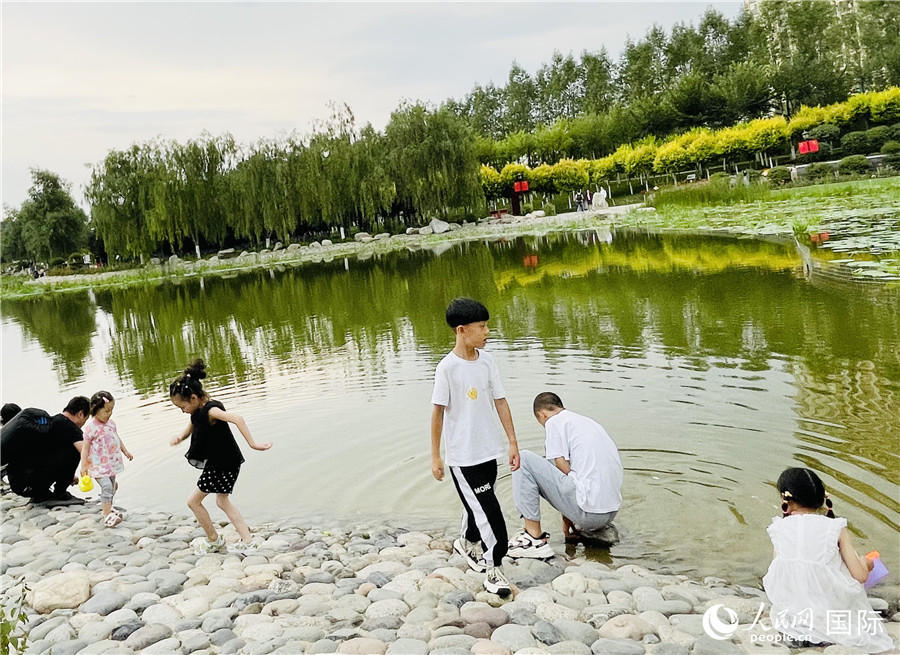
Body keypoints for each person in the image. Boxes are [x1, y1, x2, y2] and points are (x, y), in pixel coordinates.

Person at [431, 298, 520, 597]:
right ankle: (494, 568)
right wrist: (436, 457)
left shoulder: (487, 361)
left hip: (488, 451)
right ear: (461, 330)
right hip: (463, 457)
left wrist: (512, 442)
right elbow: (438, 413)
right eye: (481, 326)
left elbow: (500, 401)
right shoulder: (447, 368)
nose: (487, 331)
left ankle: (465, 541)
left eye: (486, 325)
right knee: (492, 513)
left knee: (479, 505)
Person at [762, 467, 893, 653]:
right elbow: (860, 576)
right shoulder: (835, 526)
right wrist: (866, 563)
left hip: (792, 610)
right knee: (868, 562)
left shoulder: (778, 528)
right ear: (821, 498)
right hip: (830, 608)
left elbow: (781, 570)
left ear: (786, 499)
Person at [169, 359, 272, 555]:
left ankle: (214, 540)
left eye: (181, 406)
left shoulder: (211, 410)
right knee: (221, 501)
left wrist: (253, 444)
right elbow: (193, 426)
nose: (182, 410)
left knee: (193, 502)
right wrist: (180, 437)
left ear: (193, 398)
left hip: (223, 463)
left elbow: (237, 418)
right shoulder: (198, 410)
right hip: (224, 462)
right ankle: (248, 540)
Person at [508, 392, 622, 558]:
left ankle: (533, 537)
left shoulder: (554, 422)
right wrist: (568, 518)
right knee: (547, 466)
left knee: (523, 459)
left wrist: (568, 518)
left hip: (590, 514)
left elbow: (561, 468)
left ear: (542, 415)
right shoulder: (587, 422)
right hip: (610, 512)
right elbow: (573, 476)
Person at [80, 392, 133, 527]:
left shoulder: (111, 424)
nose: (109, 414)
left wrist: (125, 451)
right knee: (107, 486)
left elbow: (116, 438)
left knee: (113, 485)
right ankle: (106, 514)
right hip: (98, 465)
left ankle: (108, 506)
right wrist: (84, 465)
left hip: (111, 463)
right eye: (106, 411)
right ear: (95, 410)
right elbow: (85, 448)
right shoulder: (90, 428)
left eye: (111, 410)